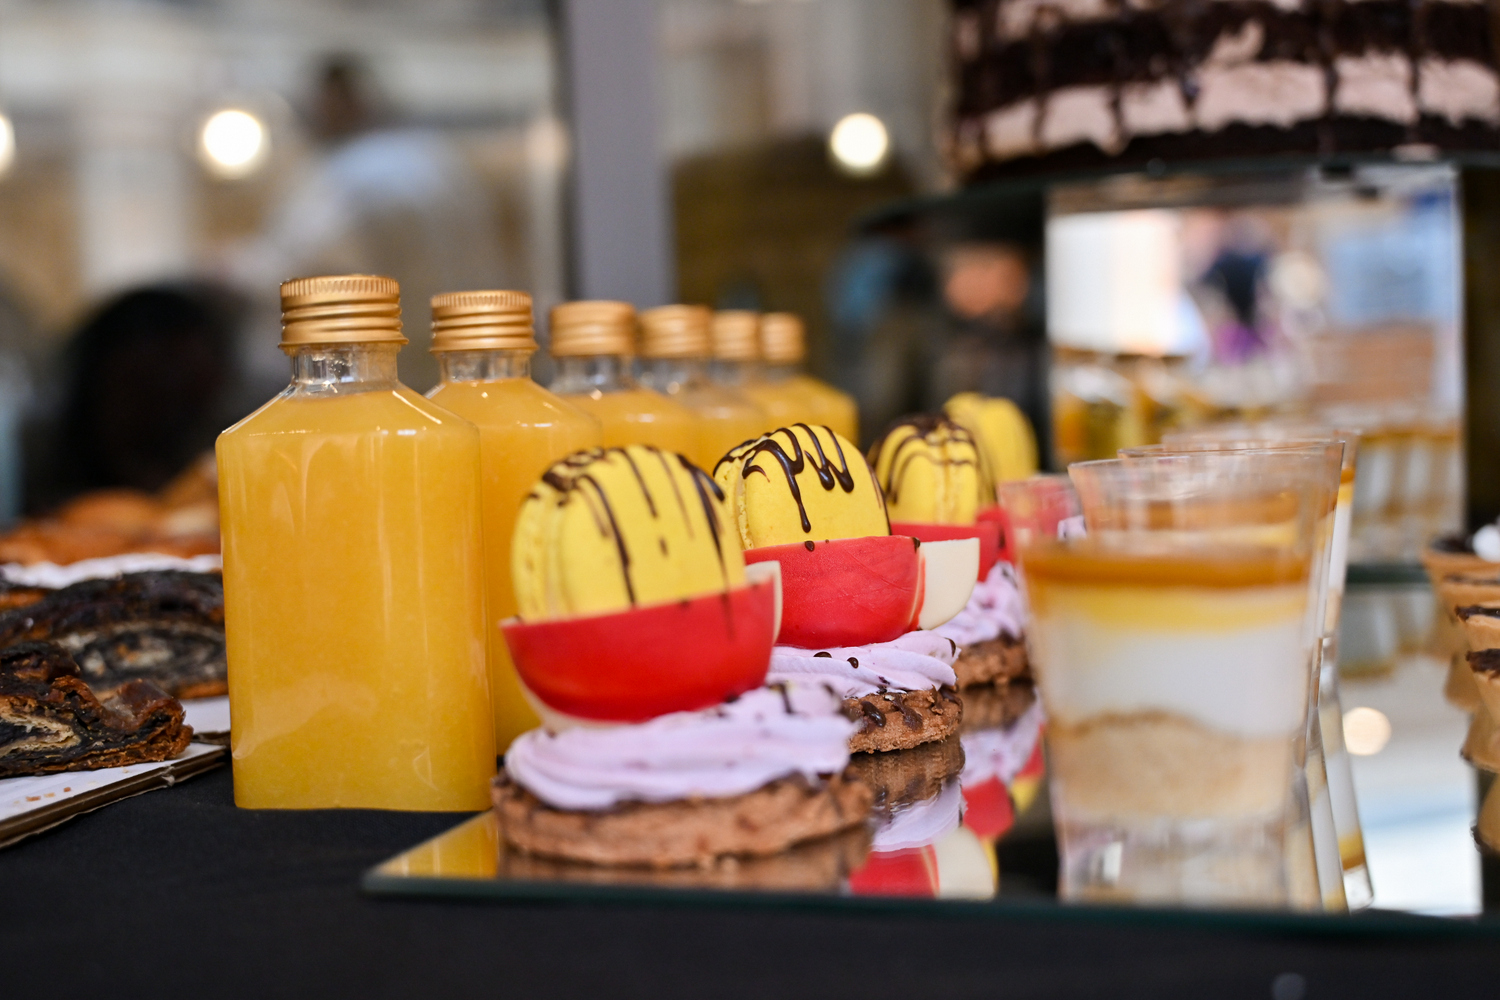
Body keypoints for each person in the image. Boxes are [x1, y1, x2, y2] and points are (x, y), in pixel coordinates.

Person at [25, 284, 239, 513]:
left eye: (189, 376)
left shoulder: (224, 448)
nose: (167, 394)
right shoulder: (52, 469)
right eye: (145, 382)